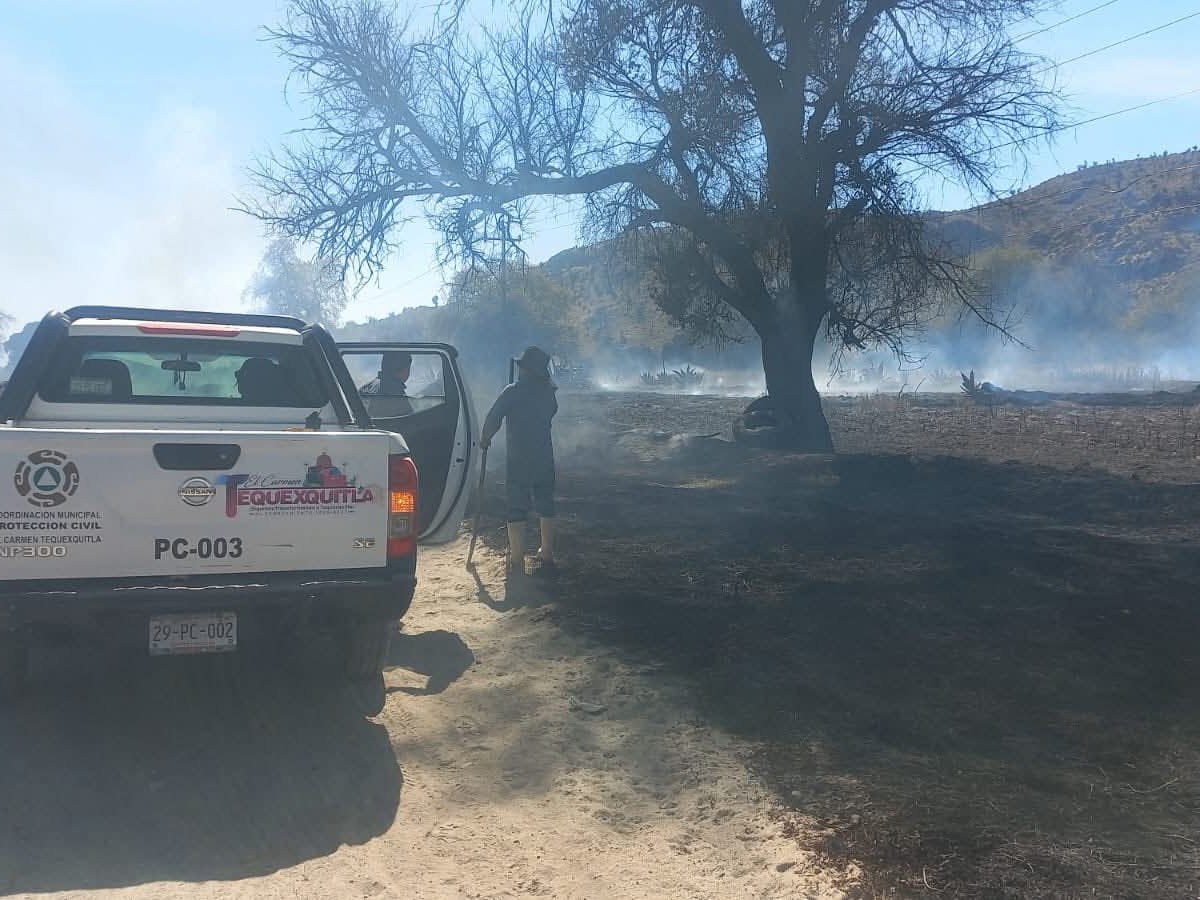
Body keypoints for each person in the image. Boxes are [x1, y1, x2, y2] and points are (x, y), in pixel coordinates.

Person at [481, 346, 558, 576]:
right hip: (544, 456)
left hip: (518, 459)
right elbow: (552, 412)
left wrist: (485, 439)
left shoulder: (511, 392)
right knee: (546, 502)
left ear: (526, 370)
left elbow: (493, 418)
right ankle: (547, 552)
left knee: (517, 505)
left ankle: (516, 559)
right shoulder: (548, 393)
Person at [359, 351, 413, 417]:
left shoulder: (365, 388)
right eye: (409, 368)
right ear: (403, 369)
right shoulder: (396, 392)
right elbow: (409, 421)